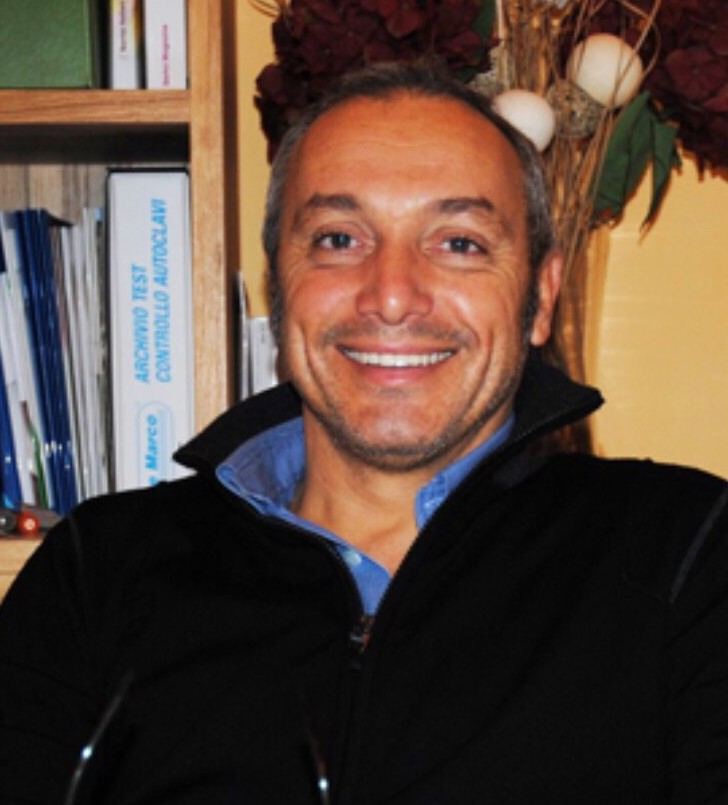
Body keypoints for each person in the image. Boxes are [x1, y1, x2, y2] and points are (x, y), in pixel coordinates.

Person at [1, 60, 728, 805]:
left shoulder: (686, 555)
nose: (392, 295)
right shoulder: (98, 571)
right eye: (340, 238)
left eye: (459, 243)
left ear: (540, 298)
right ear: (280, 286)